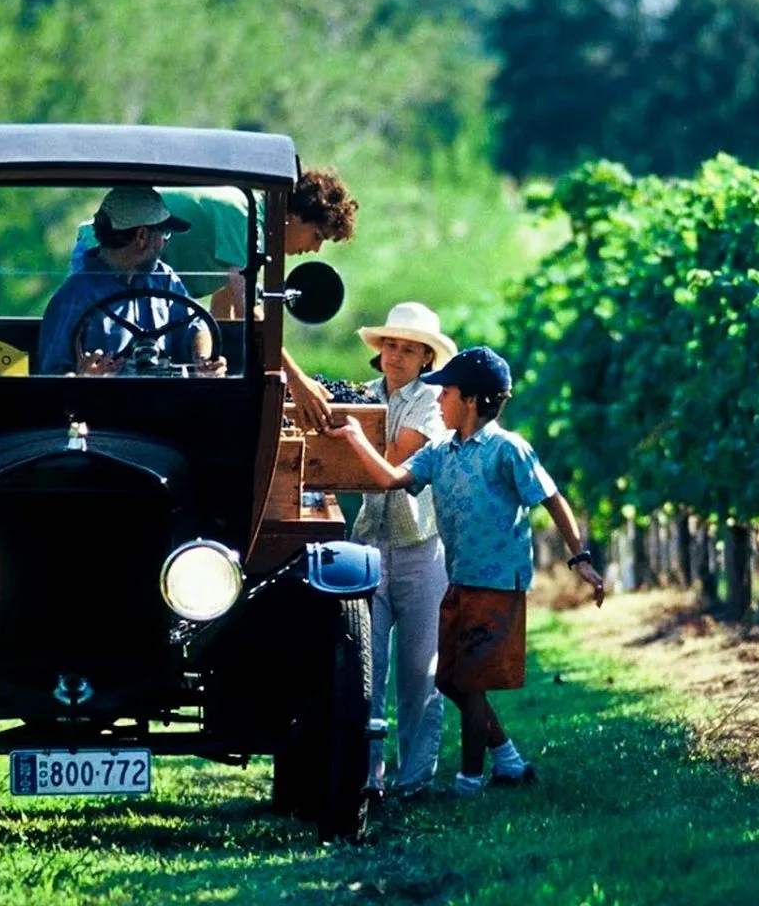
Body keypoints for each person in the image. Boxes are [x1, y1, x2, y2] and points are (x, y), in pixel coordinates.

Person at [324, 346, 605, 796]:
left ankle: (469, 782)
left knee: (470, 681)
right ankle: (508, 760)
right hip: (460, 582)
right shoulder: (441, 452)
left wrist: (580, 558)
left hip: (497, 584)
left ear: (471, 400)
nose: (437, 401)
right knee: (450, 680)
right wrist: (355, 436)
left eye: (446, 393)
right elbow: (389, 479)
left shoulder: (507, 450)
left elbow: (552, 498)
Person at [67, 168, 358, 428]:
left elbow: (225, 310)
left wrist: (223, 374)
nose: (316, 249)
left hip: (148, 284)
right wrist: (295, 380)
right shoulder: (244, 218)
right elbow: (249, 312)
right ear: (294, 217)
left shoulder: (252, 229)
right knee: (107, 364)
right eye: (317, 236)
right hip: (107, 256)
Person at [350, 302, 459, 799]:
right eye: (390, 345)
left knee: (421, 669)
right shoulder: (363, 396)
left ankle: (413, 779)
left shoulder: (431, 404)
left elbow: (395, 462)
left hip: (420, 546)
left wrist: (349, 439)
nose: (396, 355)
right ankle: (364, 776)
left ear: (425, 359)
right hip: (369, 542)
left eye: (408, 349)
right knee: (364, 667)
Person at [36, 186, 222, 376]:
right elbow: (53, 375)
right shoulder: (74, 296)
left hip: (167, 399)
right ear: (141, 236)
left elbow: (197, 325)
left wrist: (204, 361)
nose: (165, 243)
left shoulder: (163, 278)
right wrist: (85, 377)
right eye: (164, 234)